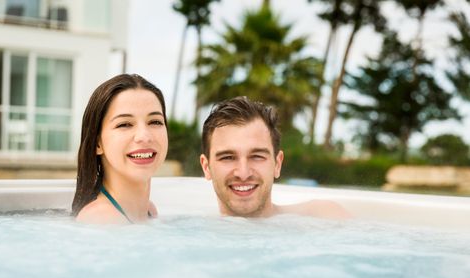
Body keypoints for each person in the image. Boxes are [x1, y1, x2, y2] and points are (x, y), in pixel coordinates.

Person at [199, 96, 351, 220]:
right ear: (206, 167)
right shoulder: (185, 231)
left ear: (277, 164)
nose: (243, 173)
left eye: (257, 156)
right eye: (228, 157)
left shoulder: (324, 217)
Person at [72, 74, 168, 224]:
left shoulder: (149, 210)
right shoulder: (100, 219)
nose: (144, 136)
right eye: (124, 124)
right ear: (98, 144)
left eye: (155, 121)